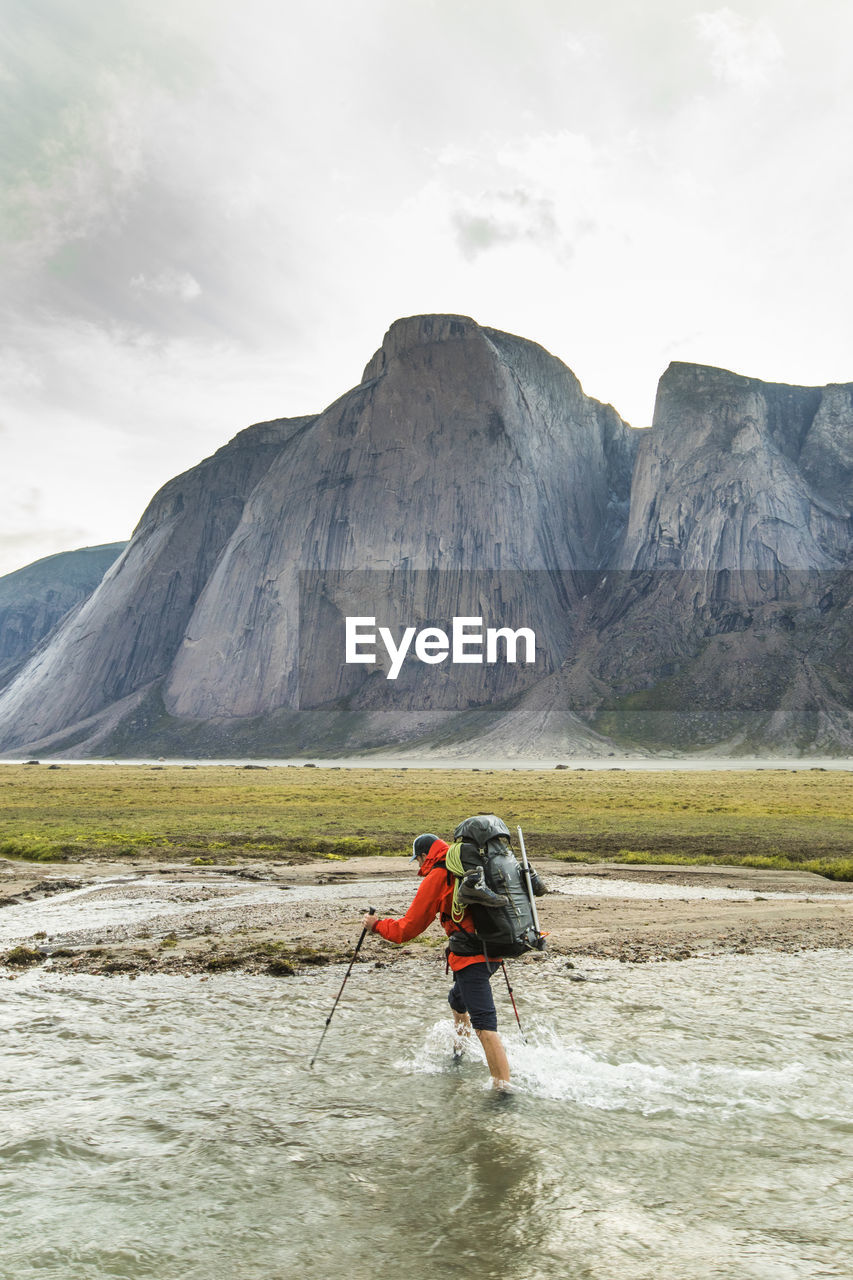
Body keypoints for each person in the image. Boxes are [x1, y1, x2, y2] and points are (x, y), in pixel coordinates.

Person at [362, 832, 512, 1089]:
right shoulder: (471, 865)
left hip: (470, 957)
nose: (419, 867)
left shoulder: (439, 875)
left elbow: (407, 929)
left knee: (485, 1027)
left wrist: (376, 925)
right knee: (457, 999)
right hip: (496, 949)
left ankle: (503, 1091)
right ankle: (459, 1053)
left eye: (418, 861)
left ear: (423, 856)